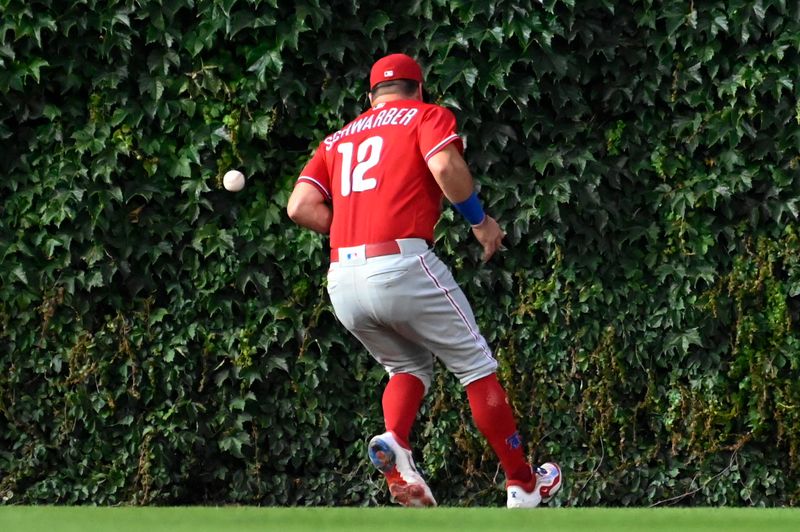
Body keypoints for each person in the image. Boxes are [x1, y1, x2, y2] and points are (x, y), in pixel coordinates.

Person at [286, 53, 562, 508]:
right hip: (401, 262)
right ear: (420, 88)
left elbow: (299, 206)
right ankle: (524, 484)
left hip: (344, 277)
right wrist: (479, 221)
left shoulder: (337, 139)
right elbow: (444, 167)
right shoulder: (424, 115)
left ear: (370, 96)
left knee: (407, 368)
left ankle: (395, 440)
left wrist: (354, 230)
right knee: (476, 369)